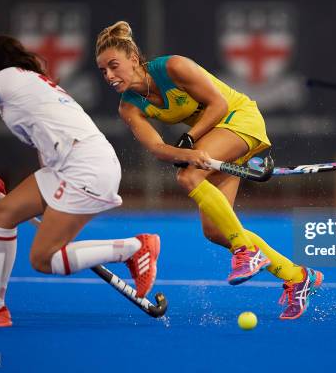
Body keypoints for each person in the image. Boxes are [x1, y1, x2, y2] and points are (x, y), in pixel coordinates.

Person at [95, 21, 323, 320]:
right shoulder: (129, 106)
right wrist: (185, 151)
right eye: (103, 71)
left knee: (188, 176)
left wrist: (191, 141)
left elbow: (219, 103)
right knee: (216, 230)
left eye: (114, 66)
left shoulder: (174, 67)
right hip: (213, 140)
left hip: (240, 119)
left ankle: (246, 250)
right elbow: (156, 148)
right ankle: (296, 276)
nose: (110, 76)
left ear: (134, 59)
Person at [0, 35, 160, 327]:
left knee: (44, 259)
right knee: (4, 213)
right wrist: (53, 204)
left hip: (84, 167)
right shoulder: (36, 83)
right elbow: (44, 153)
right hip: (79, 162)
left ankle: (134, 248)